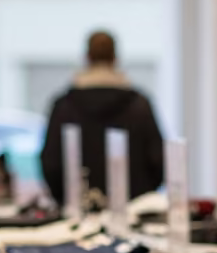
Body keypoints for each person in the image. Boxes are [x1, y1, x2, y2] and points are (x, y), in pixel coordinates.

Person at [40, 30, 164, 205]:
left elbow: (51, 163)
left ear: (87, 57)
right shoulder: (139, 106)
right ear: (115, 59)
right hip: (131, 213)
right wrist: (141, 199)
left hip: (77, 212)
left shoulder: (64, 106)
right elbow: (157, 161)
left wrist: (65, 199)